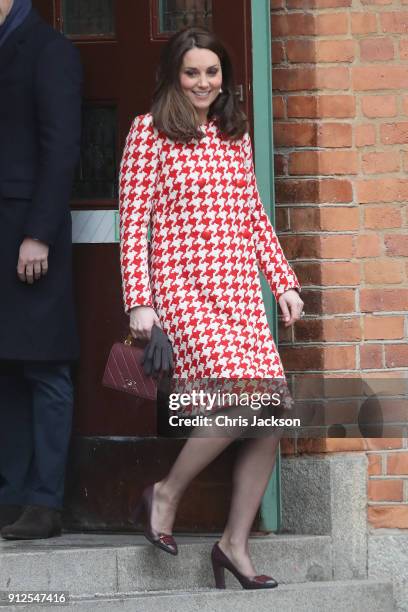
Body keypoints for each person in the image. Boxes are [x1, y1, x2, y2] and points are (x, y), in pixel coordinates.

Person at [119, 27, 304, 589]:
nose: (203, 82)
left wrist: (284, 283)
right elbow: (133, 225)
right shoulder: (148, 132)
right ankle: (166, 495)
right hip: (184, 291)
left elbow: (251, 216)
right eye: (192, 72)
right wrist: (139, 304)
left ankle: (234, 546)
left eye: (213, 72)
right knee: (243, 397)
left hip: (241, 292)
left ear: (224, 76)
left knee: (273, 413)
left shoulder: (234, 132)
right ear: (176, 75)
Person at [0, 0, 82, 539]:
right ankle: (10, 496)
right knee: (5, 367)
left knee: (45, 366)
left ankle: (45, 502)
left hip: (30, 234)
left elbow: (62, 149)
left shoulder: (51, 51)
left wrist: (39, 233)